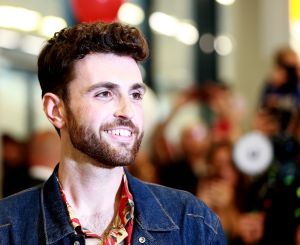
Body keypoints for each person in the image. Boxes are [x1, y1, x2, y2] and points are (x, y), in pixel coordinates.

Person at [0, 22, 225, 244]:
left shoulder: (192, 224)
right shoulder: (7, 229)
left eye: (135, 95)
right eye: (105, 93)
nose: (128, 112)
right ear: (56, 110)